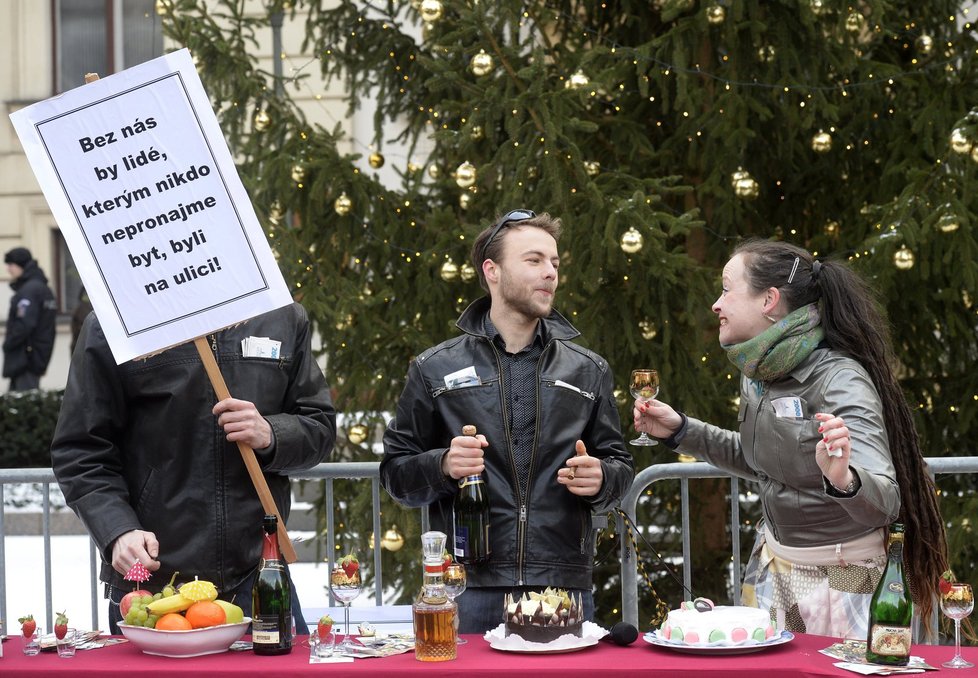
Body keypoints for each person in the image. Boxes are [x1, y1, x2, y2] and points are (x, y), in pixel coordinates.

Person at [633, 239, 947, 640]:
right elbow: (761, 462)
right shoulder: (758, 375)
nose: (717, 304)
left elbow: (885, 502)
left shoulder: (839, 378)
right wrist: (681, 429)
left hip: (848, 579)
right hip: (776, 568)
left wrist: (843, 479)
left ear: (769, 300)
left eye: (727, 288)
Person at [381, 210, 634, 633]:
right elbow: (395, 474)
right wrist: (443, 464)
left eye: (555, 262)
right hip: (467, 588)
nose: (550, 272)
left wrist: (602, 478)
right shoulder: (434, 368)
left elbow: (620, 466)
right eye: (534, 260)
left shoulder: (588, 370)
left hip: (562, 586)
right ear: (492, 270)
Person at [51, 302, 336, 634]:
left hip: (257, 574)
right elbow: (81, 449)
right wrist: (117, 531)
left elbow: (319, 427)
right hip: (155, 583)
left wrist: (271, 433)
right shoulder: (115, 323)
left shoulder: (279, 314)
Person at [3, 247, 57, 391]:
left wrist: (8, 344)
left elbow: (24, 325)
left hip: (26, 360)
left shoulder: (29, 291)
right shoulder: (41, 288)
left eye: (11, 265)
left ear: (20, 265)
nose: (8, 270)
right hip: (36, 357)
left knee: (22, 406)